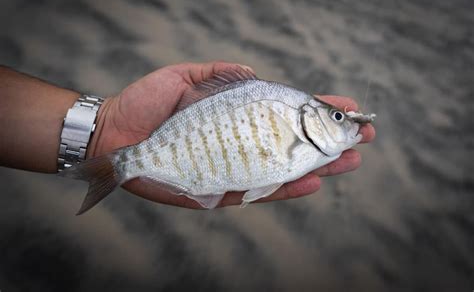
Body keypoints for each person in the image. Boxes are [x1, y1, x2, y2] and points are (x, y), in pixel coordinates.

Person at [0, 61, 375, 209]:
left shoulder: (304, 135)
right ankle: (116, 165)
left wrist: (101, 132)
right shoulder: (300, 129)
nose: (346, 124)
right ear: (310, 118)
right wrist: (103, 131)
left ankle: (114, 164)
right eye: (337, 116)